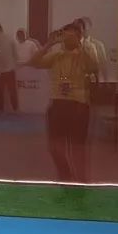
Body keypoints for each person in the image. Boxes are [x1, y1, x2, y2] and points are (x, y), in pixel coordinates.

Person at [30, 23, 98, 183]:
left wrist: (80, 45)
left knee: (77, 149)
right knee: (54, 147)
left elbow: (93, 67)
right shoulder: (57, 55)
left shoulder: (85, 53)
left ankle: (81, 182)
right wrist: (49, 44)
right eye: (65, 35)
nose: (67, 39)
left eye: (71, 35)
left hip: (78, 105)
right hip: (58, 104)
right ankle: (66, 176)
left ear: (79, 37)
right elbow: (34, 62)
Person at [0, 23, 19, 113]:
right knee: (12, 90)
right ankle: (15, 109)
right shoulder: (10, 38)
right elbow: (16, 54)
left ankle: (1, 109)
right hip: (10, 69)